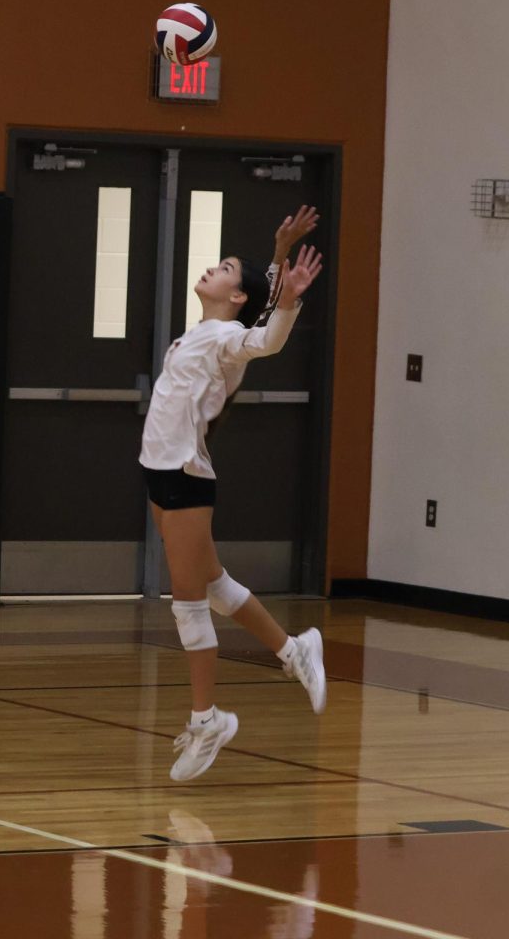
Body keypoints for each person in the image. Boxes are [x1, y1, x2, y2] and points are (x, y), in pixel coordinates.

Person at [140, 206, 327, 782]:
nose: (211, 269)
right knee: (215, 584)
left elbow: (266, 338)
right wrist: (278, 255)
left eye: (223, 269)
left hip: (184, 478)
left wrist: (288, 299)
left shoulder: (226, 338)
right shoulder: (199, 333)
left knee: (188, 604)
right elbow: (260, 306)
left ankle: (208, 720)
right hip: (159, 472)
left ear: (236, 295)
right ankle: (293, 650)